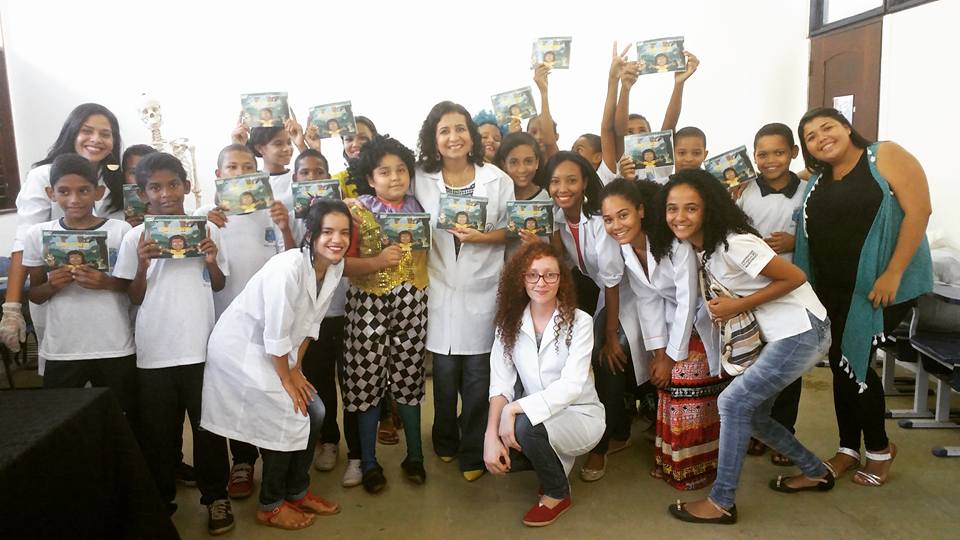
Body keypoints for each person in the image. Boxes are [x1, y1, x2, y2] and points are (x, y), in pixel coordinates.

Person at [661, 169, 832, 525]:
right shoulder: (704, 248)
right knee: (752, 415)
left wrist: (738, 305)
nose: (679, 217)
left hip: (801, 330)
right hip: (783, 333)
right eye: (672, 208)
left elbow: (795, 277)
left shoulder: (734, 243)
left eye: (691, 208)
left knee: (732, 403)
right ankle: (815, 471)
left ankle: (721, 502)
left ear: (709, 208)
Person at [794, 107, 933, 487]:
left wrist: (893, 273)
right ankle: (847, 449)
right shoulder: (820, 178)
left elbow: (919, 211)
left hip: (879, 287)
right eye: (810, 136)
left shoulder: (884, 155)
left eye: (827, 127)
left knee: (854, 360)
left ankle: (879, 450)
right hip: (833, 289)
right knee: (841, 364)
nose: (821, 137)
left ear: (847, 127)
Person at [201, 200, 348, 530]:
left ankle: (297, 491)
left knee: (316, 412)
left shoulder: (333, 267)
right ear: (310, 235)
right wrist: (287, 377)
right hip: (243, 352)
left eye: (344, 232)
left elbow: (311, 324)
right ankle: (270, 504)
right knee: (291, 413)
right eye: (328, 232)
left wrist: (296, 369)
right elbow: (276, 331)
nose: (337, 240)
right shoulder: (288, 268)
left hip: (279, 353)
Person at [113, 152, 232, 535]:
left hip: (201, 347)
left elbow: (219, 285)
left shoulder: (207, 230)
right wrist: (142, 265)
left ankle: (216, 497)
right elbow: (133, 296)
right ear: (142, 193)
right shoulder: (135, 237)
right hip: (154, 352)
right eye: (155, 187)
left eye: (173, 184)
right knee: (160, 435)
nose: (165, 194)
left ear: (186, 186)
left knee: (209, 429)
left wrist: (210, 260)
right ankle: (160, 501)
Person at [600, 178, 725, 490]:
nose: (616, 225)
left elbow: (688, 300)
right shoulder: (627, 248)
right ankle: (672, 463)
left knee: (681, 378)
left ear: (641, 211)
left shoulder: (675, 244)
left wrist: (671, 357)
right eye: (608, 219)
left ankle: (698, 467)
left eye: (623, 215)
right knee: (664, 384)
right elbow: (648, 299)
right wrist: (658, 353)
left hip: (702, 318)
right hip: (672, 323)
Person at [414, 101, 514, 481]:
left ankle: (473, 451)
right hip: (440, 288)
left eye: (460, 129)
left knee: (476, 380)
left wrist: (480, 237)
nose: (453, 137)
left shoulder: (497, 180)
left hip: (483, 289)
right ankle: (444, 439)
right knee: (442, 376)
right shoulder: (421, 178)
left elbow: (512, 230)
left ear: (472, 135)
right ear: (434, 138)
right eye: (444, 131)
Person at [484, 242, 603, 527]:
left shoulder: (580, 322)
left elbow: (571, 386)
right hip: (537, 414)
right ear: (521, 278)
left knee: (525, 427)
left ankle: (558, 493)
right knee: (492, 431)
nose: (541, 282)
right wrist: (490, 436)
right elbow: (500, 384)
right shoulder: (508, 323)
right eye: (532, 275)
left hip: (579, 415)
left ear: (561, 279)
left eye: (550, 275)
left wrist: (514, 409)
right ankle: (548, 462)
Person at [200, 143, 293, 500]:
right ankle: (242, 459)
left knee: (270, 389)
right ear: (219, 175)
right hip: (227, 320)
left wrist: (285, 226)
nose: (240, 173)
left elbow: (291, 261)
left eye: (247, 167)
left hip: (269, 319)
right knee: (235, 392)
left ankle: (275, 459)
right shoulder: (205, 217)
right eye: (232, 167)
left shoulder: (271, 211)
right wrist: (206, 222)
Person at [1, 103, 126, 364]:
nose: (96, 139)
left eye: (105, 134)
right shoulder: (44, 176)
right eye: (87, 131)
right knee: (66, 375)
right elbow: (24, 242)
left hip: (108, 304)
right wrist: (12, 308)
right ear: (72, 132)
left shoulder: (115, 181)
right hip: (59, 299)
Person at [546, 152, 645, 482]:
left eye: (571, 180)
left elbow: (613, 280)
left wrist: (611, 335)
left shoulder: (600, 218)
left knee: (607, 358)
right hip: (604, 292)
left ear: (586, 182)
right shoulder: (556, 218)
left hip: (628, 295)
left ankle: (600, 447)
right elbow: (564, 263)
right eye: (555, 181)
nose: (563, 188)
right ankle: (619, 429)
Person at [342, 135, 429, 492]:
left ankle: (416, 457)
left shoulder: (422, 206)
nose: (394, 177)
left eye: (401, 170)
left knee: (410, 378)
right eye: (384, 171)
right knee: (365, 383)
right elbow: (340, 264)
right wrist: (377, 261)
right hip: (367, 304)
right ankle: (368, 462)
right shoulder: (354, 211)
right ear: (370, 177)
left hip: (413, 302)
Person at [21, 154, 136, 420]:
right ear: (51, 193)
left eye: (83, 190)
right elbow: (35, 295)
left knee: (123, 418)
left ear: (98, 192)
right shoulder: (38, 235)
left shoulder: (120, 231)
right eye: (64, 191)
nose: (74, 199)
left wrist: (106, 282)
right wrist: (52, 285)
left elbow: (134, 288)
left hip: (114, 344)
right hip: (63, 348)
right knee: (61, 421)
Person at [736, 123, 808, 465]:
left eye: (779, 152)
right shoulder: (744, 192)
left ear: (793, 153)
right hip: (752, 289)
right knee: (754, 362)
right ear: (754, 157)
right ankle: (757, 430)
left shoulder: (807, 191)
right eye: (762, 154)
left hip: (793, 290)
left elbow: (824, 233)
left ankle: (784, 431)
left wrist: (797, 242)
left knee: (788, 364)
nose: (770, 160)